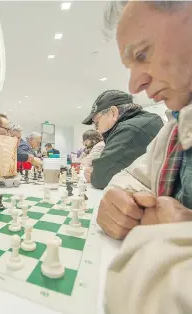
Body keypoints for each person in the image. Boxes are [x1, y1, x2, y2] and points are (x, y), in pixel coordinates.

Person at [99, 2, 192, 314]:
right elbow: (126, 177)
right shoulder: (173, 134)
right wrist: (130, 202)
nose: (134, 85)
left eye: (142, 54)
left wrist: (168, 233)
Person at [82, 90, 163, 189]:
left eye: (97, 122)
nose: (97, 129)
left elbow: (101, 177)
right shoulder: (142, 121)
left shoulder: (130, 129)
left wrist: (93, 175)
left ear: (113, 113)